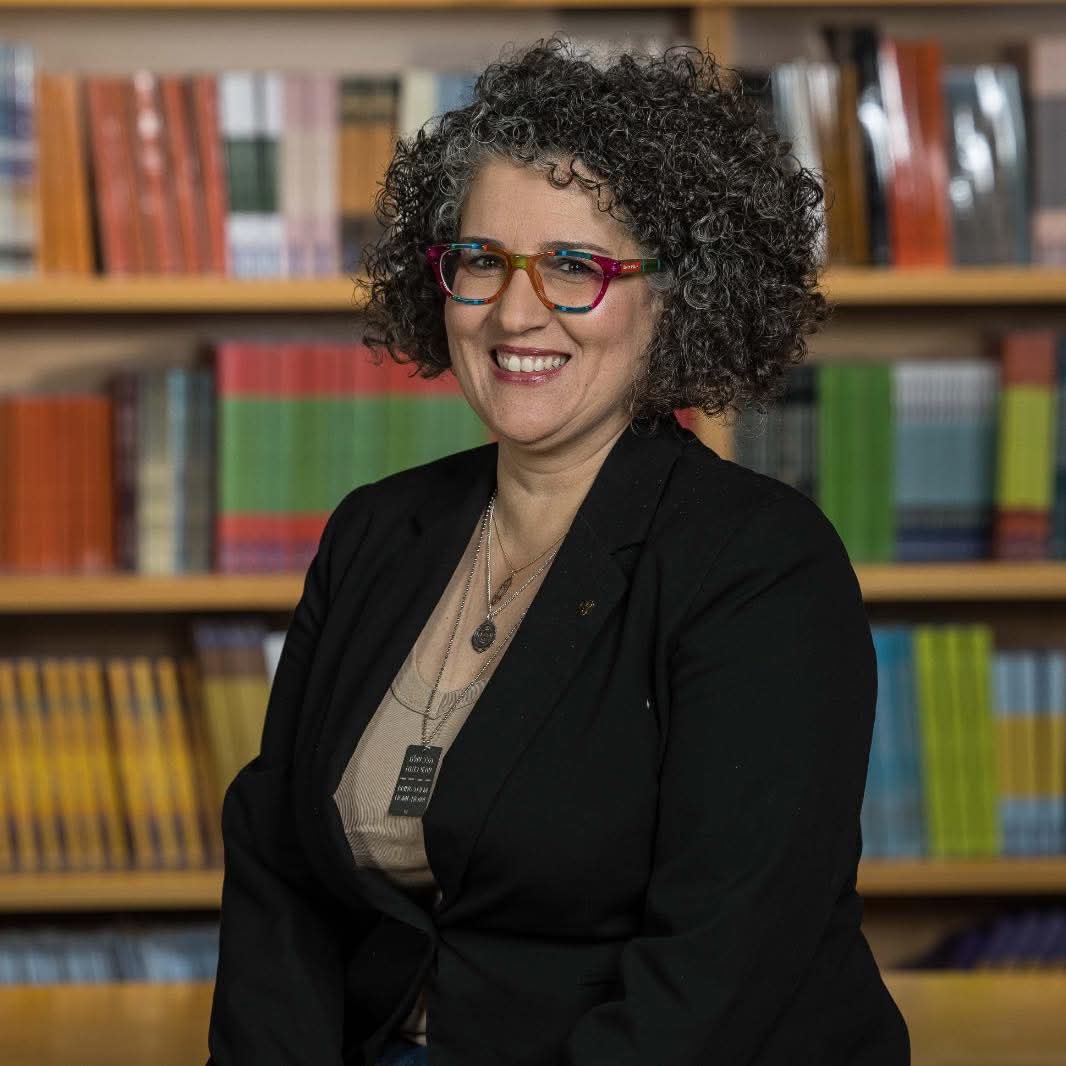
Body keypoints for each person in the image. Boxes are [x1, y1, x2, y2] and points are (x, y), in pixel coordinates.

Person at [206, 35, 910, 1066]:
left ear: (675, 294)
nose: (514, 311)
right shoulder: (375, 534)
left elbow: (717, 973)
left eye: (574, 267)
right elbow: (279, 875)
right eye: (481, 261)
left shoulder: (761, 569)